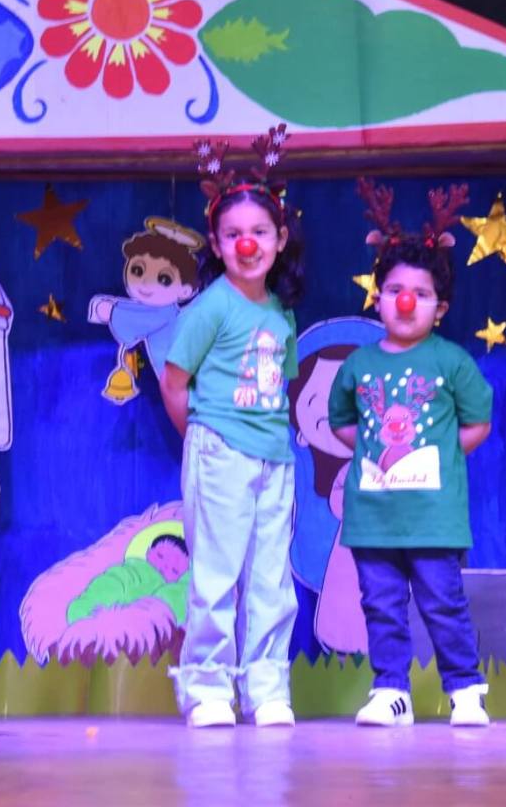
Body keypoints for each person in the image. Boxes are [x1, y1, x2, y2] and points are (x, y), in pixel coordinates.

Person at [331, 179, 493, 726]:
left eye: (420, 294)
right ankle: (390, 690)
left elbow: (478, 423)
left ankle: (465, 688)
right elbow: (342, 423)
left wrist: (435, 452)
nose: (406, 301)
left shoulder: (452, 362)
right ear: (377, 297)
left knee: (443, 605)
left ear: (439, 308)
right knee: (381, 607)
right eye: (395, 290)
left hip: (433, 520)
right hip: (372, 518)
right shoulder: (359, 364)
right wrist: (377, 451)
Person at [160, 127, 305, 727]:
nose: (248, 244)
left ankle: (267, 688)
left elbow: (281, 387)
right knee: (216, 574)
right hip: (219, 449)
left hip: (275, 456)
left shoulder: (281, 311)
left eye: (260, 232)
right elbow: (175, 383)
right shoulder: (211, 305)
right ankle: (208, 688)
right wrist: (203, 438)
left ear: (280, 240)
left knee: (271, 577)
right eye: (234, 234)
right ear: (218, 245)